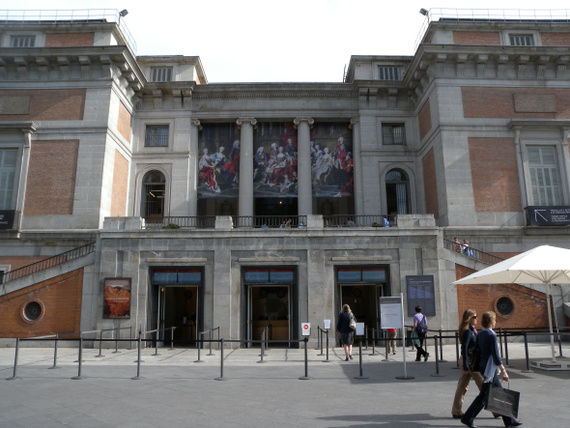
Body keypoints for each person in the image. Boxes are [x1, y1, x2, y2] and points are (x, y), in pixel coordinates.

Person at [461, 311, 522, 428]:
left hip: (483, 367)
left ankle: (509, 420)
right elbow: (495, 355)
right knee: (484, 396)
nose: (495, 322)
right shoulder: (491, 335)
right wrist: (504, 371)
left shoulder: (481, 334)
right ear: (492, 321)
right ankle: (468, 418)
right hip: (490, 369)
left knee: (498, 393)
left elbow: (478, 350)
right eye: (494, 320)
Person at [452, 309, 484, 419]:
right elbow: (464, 348)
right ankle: (496, 410)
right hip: (470, 361)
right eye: (475, 317)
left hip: (468, 360)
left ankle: (456, 411)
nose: (477, 319)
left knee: (462, 387)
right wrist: (466, 366)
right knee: (484, 386)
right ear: (469, 318)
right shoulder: (467, 331)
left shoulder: (470, 330)